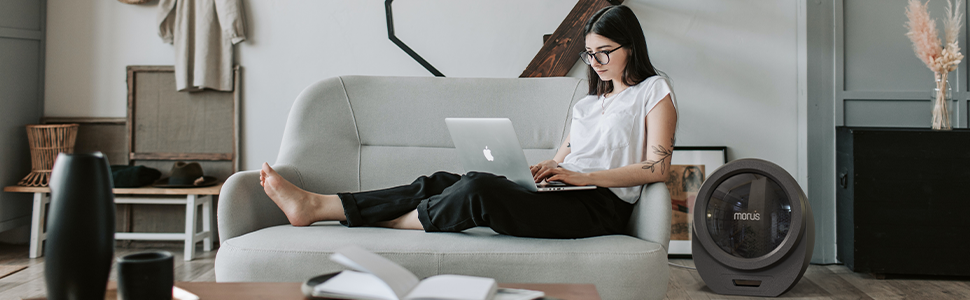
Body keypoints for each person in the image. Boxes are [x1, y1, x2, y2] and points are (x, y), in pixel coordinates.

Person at [259, 5, 677, 239]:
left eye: (604, 51)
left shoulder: (654, 91)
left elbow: (657, 168)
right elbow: (562, 158)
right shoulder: (588, 103)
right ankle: (318, 205)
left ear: (630, 46)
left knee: (477, 190)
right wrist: (545, 172)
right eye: (589, 54)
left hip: (597, 209)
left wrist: (583, 177)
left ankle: (382, 220)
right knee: (445, 179)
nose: (596, 63)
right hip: (562, 194)